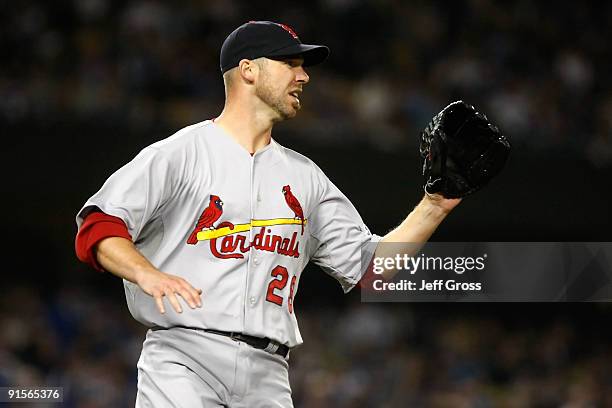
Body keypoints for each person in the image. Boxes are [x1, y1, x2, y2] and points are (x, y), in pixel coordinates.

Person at [75, 20, 460, 407]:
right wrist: (146, 272)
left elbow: (371, 270)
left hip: (269, 374)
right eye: (290, 63)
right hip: (184, 357)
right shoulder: (181, 153)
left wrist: (435, 205)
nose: (304, 76)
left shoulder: (306, 177)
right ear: (248, 70)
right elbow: (97, 226)